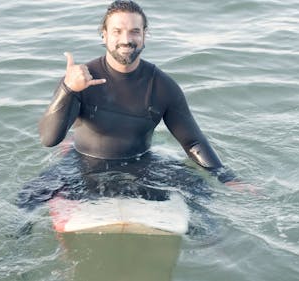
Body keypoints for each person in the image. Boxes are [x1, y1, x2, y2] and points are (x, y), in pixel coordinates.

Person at [29, 0, 249, 211]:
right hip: (82, 166)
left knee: (200, 190)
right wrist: (67, 89)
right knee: (27, 199)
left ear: (145, 36)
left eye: (135, 31)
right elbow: (49, 139)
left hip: (140, 165)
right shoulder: (80, 78)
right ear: (104, 36)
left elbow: (192, 142)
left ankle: (213, 246)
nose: (126, 40)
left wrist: (227, 178)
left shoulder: (163, 86)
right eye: (117, 31)